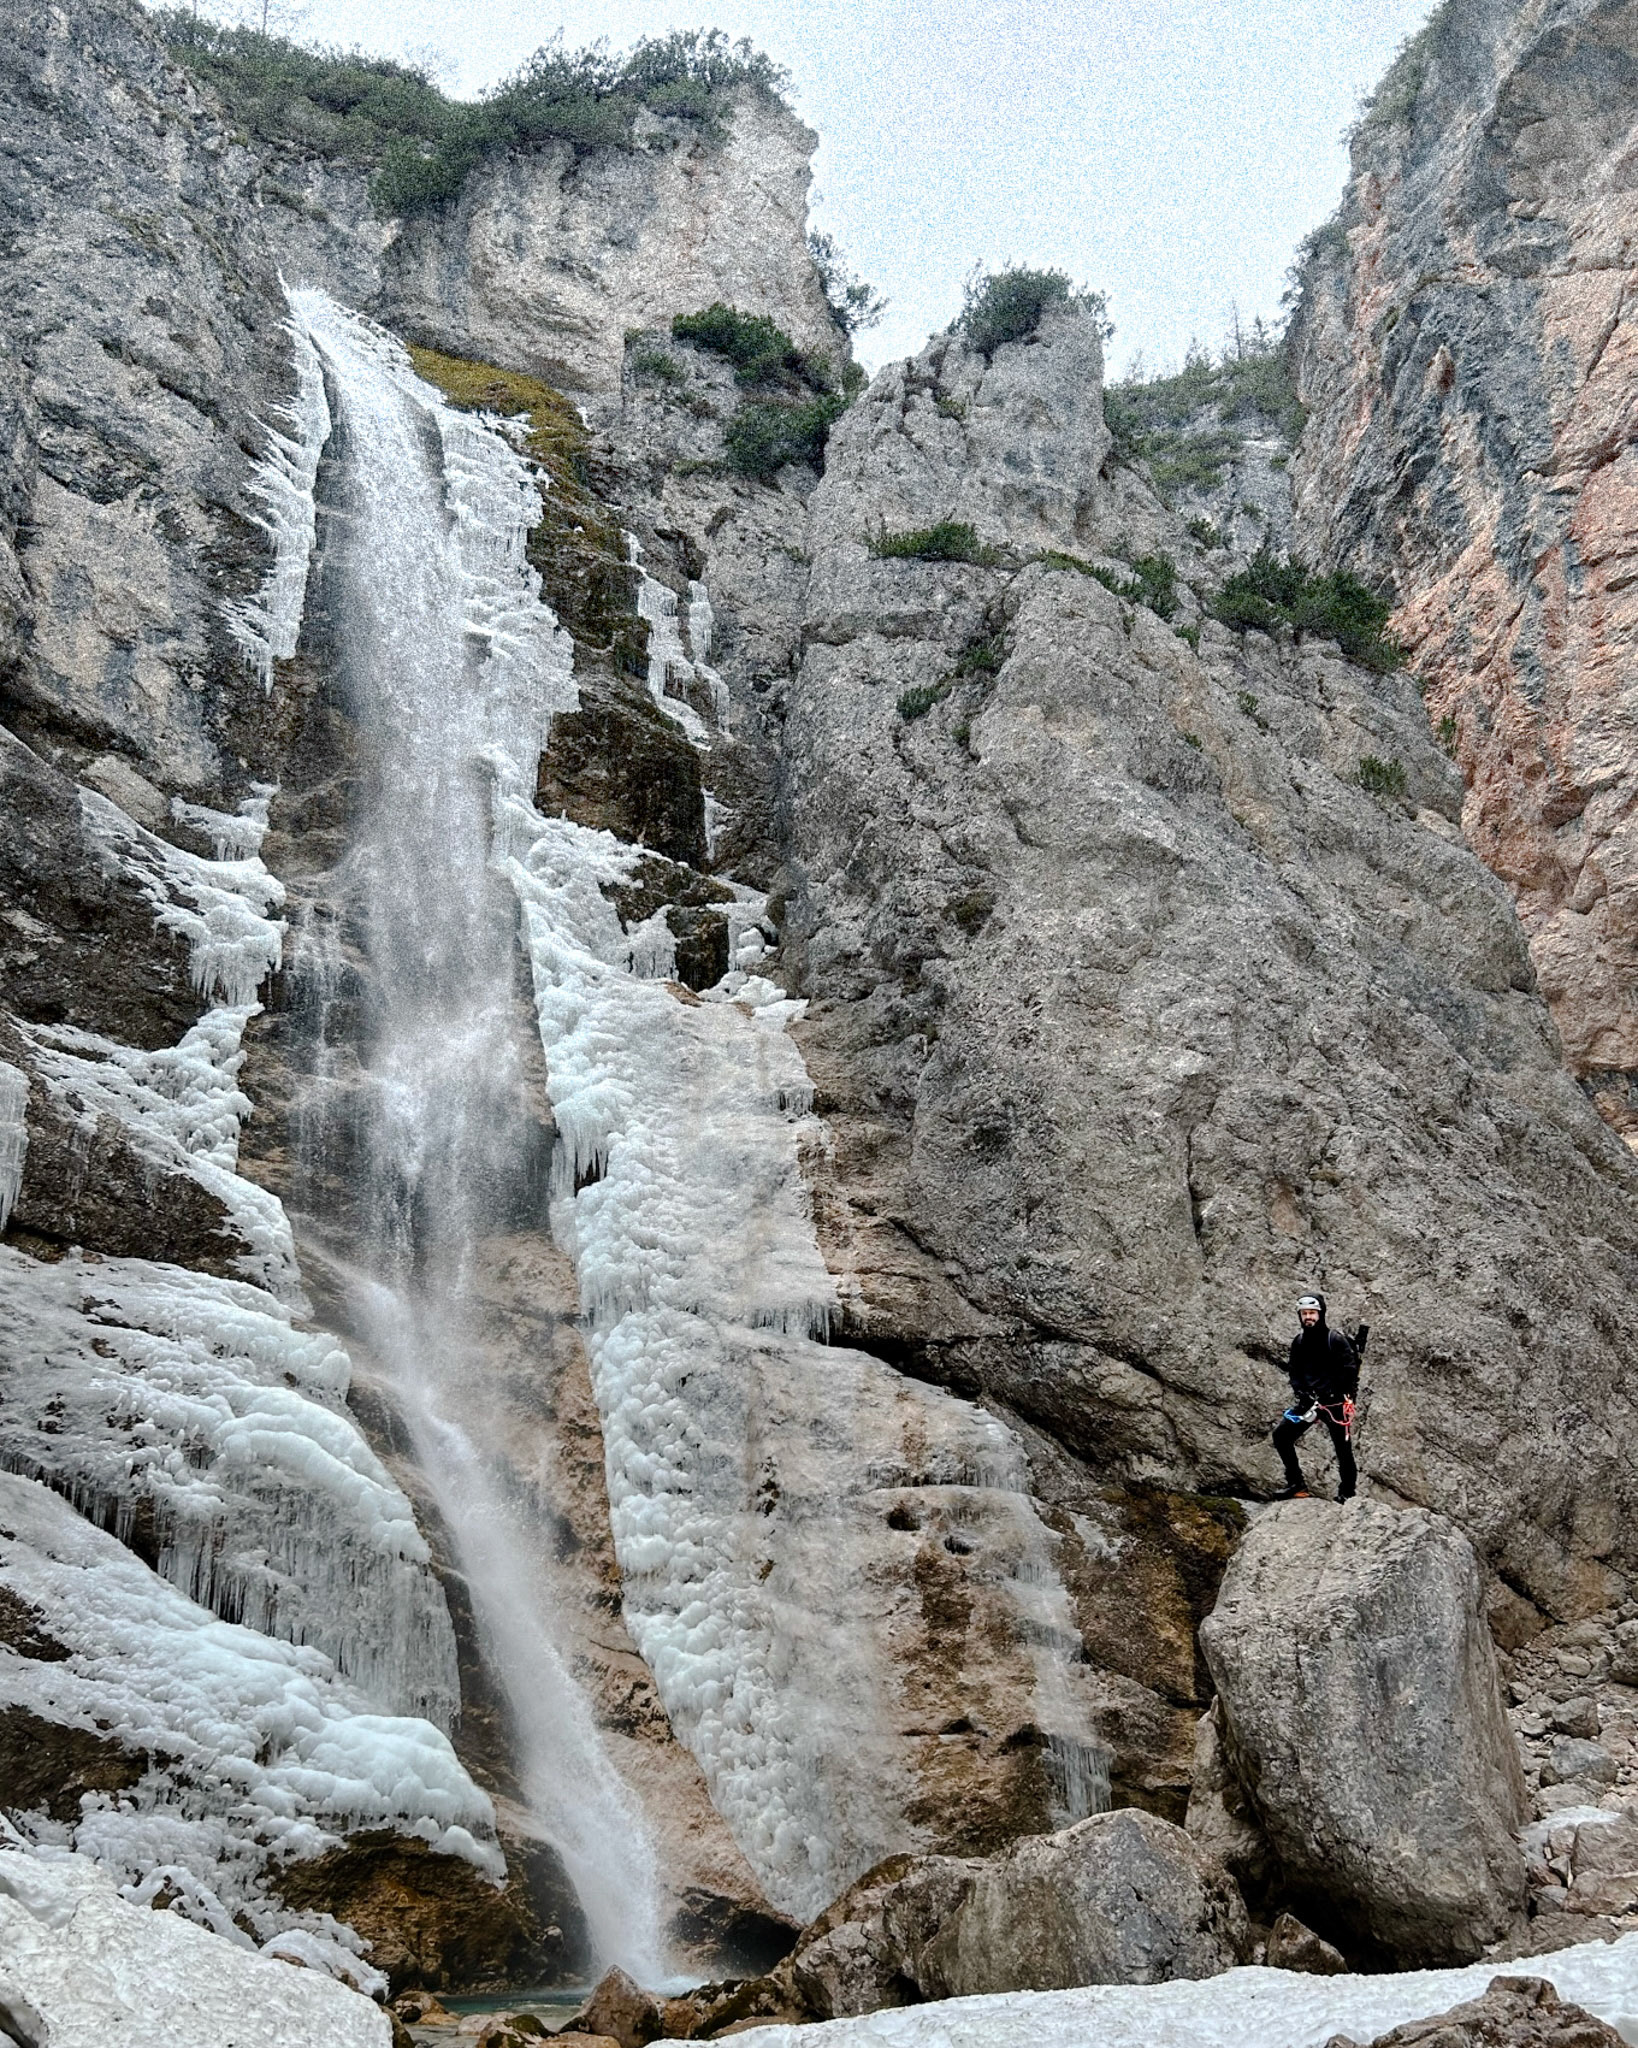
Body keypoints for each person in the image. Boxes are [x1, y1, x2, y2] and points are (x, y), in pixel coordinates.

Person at [1271, 1292, 1358, 1501]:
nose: (1308, 1317)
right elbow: (1294, 1371)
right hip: (1310, 1402)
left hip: (1335, 1402)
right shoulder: (1299, 1342)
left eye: (1312, 1313)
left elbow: (1350, 1370)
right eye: (1304, 1313)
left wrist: (1336, 1391)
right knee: (1281, 1436)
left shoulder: (1335, 1340)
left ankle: (1347, 1493)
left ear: (1321, 1314)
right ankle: (1296, 1484)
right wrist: (1301, 1392)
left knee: (1343, 1450)